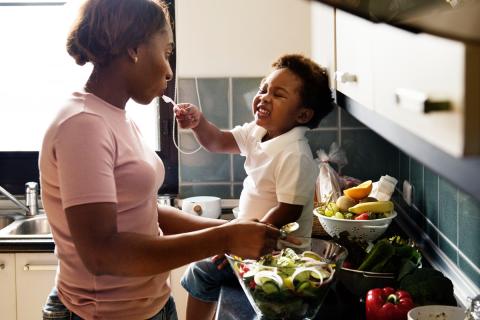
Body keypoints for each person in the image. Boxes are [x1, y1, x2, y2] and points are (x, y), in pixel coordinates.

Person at [38, 0, 285, 319]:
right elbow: (101, 253)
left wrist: (230, 230)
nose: (169, 70)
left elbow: (144, 211)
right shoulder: (83, 124)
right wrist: (223, 237)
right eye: (166, 53)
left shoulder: (116, 117)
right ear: (133, 48)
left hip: (149, 305)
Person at [175, 53, 334, 320]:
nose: (265, 97)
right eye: (264, 89)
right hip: (249, 242)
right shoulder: (257, 132)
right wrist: (198, 124)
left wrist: (239, 243)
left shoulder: (294, 154)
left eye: (279, 95)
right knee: (202, 268)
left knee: (201, 270)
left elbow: (288, 211)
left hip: (277, 254)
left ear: (303, 114)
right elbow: (218, 141)